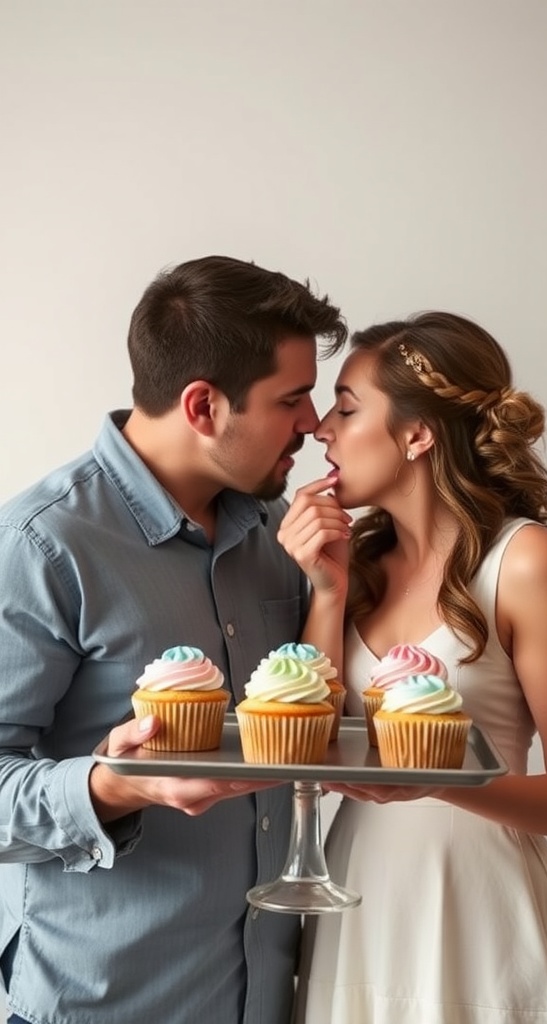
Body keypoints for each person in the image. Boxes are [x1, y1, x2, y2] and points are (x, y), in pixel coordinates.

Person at [0, 255, 347, 1024]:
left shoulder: (276, 535)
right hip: (105, 1002)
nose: (314, 425)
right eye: (293, 399)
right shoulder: (45, 545)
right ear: (203, 406)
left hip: (263, 997)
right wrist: (117, 785)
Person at [277, 311, 547, 1024]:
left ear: (417, 434)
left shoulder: (526, 562)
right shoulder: (359, 567)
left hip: (480, 906)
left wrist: (441, 783)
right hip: (356, 896)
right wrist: (326, 591)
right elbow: (309, 751)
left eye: (347, 409)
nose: (321, 430)